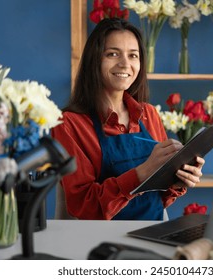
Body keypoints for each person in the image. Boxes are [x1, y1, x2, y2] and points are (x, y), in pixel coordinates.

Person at [51, 18, 205, 220]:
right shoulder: (70, 124)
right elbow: (84, 206)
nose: (125, 64)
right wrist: (142, 173)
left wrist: (177, 182)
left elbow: (159, 199)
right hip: (98, 243)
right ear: (94, 59)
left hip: (151, 234)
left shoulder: (149, 114)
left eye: (133, 55)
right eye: (113, 54)